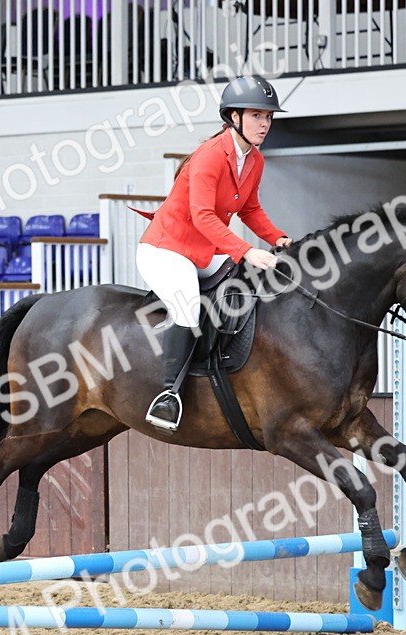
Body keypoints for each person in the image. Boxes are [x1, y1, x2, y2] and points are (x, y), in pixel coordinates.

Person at [136, 75, 293, 432]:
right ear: (234, 117)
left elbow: (250, 210)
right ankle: (168, 396)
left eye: (268, 117)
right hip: (165, 249)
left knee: (247, 284)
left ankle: (223, 365)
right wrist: (245, 250)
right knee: (189, 306)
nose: (265, 124)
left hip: (203, 252)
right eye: (257, 115)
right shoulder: (210, 156)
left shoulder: (254, 160)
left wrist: (279, 238)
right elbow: (202, 216)